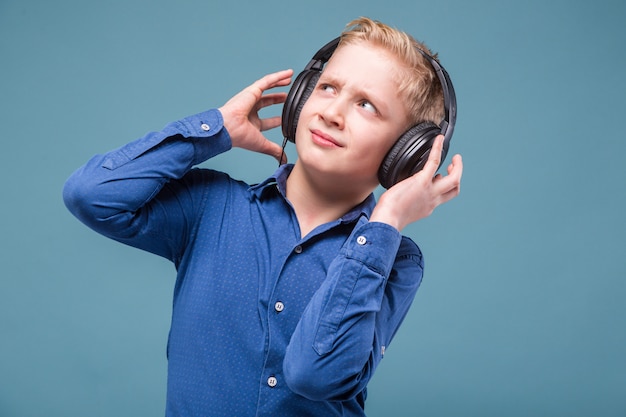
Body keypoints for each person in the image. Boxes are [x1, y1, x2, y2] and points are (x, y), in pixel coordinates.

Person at [63, 16, 463, 417]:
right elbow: (91, 195)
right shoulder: (211, 206)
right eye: (327, 87)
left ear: (408, 152)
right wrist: (216, 130)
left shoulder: (395, 262)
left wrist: (388, 220)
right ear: (302, 95)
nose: (332, 113)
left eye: (366, 105)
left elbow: (315, 374)